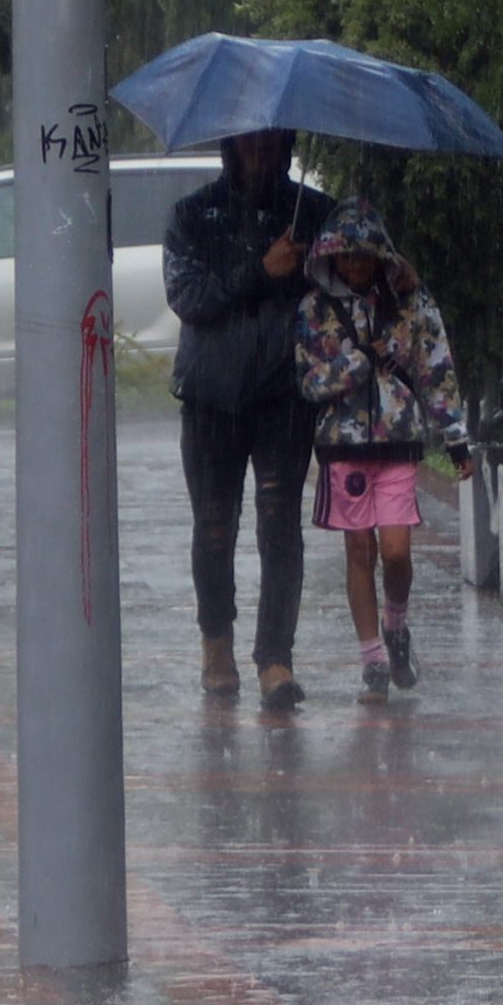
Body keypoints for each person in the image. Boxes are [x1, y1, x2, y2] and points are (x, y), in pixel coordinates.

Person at [163, 128, 333, 706]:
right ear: (230, 149)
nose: (259, 155)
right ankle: (217, 643)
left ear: (286, 147)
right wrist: (261, 270)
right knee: (214, 524)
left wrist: (334, 268)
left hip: (284, 392)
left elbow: (345, 288)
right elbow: (190, 297)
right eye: (248, 144)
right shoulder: (192, 215)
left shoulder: (312, 213)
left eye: (270, 144)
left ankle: (276, 657)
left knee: (279, 520)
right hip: (211, 392)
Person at [292, 198, 472, 703]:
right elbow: (308, 380)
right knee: (358, 550)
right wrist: (357, 364)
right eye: (344, 256)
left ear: (382, 258)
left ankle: (396, 627)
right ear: (330, 257)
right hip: (342, 447)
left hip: (397, 441)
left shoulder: (405, 303)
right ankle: (372, 660)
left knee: (395, 552)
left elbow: (435, 365)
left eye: (364, 256)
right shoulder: (312, 310)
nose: (353, 266)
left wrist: (455, 436)